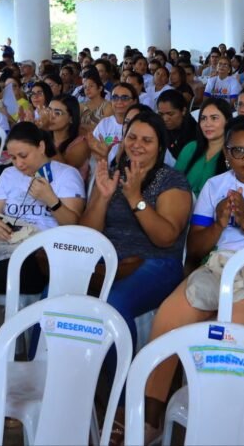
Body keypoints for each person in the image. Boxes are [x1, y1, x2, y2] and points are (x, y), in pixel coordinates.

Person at [141, 119, 244, 436]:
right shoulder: (215, 186)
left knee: (229, 334)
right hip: (218, 265)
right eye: (238, 151)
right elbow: (196, 247)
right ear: (227, 154)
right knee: (167, 320)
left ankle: (220, 422)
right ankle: (151, 419)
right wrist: (218, 224)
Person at [0, 122, 85, 369]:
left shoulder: (66, 175)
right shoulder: (9, 175)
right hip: (6, 248)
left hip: (42, 259)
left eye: (24, 155)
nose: (19, 164)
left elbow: (73, 227)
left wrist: (51, 200)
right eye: (13, 158)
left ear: (41, 146)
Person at [81, 111, 192, 343]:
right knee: (55, 292)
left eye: (147, 140)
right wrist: (103, 198)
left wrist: (135, 198)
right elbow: (88, 235)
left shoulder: (172, 180)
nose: (137, 145)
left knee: (113, 303)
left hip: (157, 262)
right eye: (132, 137)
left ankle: (120, 368)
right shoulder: (112, 175)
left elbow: (166, 238)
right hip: (109, 261)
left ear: (160, 147)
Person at [174, 98, 230, 195]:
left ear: (227, 121)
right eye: (203, 118)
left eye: (214, 118)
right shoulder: (191, 148)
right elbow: (173, 182)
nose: (207, 124)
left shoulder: (233, 153)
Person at [39, 95, 90, 182]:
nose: (50, 117)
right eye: (49, 111)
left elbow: (63, 171)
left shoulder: (81, 144)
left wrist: (44, 131)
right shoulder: (46, 138)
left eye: (57, 113)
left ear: (71, 119)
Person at [89, 83, 137, 161]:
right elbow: (94, 152)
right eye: (115, 97)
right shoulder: (104, 123)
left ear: (134, 101)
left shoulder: (140, 124)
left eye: (124, 98)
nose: (119, 101)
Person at [155, 89, 196, 159]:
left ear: (183, 111)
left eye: (170, 114)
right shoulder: (160, 127)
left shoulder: (194, 134)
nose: (165, 119)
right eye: (161, 114)